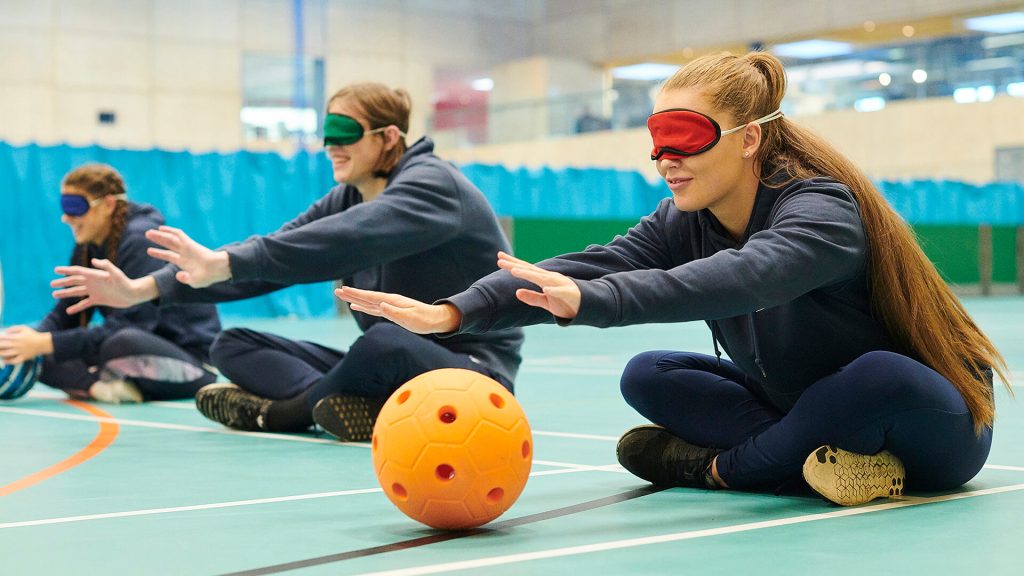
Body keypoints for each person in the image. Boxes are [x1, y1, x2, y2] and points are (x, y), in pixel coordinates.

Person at [333, 52, 1009, 507]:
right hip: (801, 406)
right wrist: (453, 313)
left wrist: (594, 302)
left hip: (930, 426)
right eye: (656, 136)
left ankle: (723, 468)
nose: (664, 156)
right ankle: (813, 461)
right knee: (648, 373)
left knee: (878, 378)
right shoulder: (684, 217)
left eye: (683, 134)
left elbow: (748, 277)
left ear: (749, 138)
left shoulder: (820, 208)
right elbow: (579, 271)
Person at [51, 84, 523, 439]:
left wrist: (229, 262)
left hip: (473, 373)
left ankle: (284, 414)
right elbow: (274, 254)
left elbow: (343, 240)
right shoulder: (346, 196)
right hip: (391, 366)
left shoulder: (433, 186)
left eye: (345, 133)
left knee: (384, 341)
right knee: (232, 345)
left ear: (388, 137)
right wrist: (145, 290)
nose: (330, 145)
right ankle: (350, 405)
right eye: (327, 133)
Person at [0, 164, 220, 403]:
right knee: (38, 350)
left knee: (118, 343)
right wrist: (27, 341)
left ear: (108, 204)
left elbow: (132, 326)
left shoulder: (141, 241)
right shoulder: (89, 245)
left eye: (75, 207)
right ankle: (99, 388)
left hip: (191, 364)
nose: (66, 217)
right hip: (134, 355)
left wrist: (45, 342)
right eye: (64, 208)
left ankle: (98, 382)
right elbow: (66, 314)